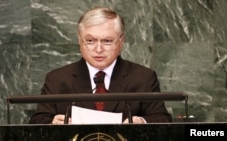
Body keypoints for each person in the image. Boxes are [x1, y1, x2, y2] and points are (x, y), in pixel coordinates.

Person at [29, 7, 172, 124]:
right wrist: (52, 122)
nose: (98, 49)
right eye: (90, 41)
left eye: (107, 41)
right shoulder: (57, 79)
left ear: (121, 41)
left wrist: (142, 121)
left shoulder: (143, 78)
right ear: (80, 40)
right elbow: (37, 121)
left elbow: (162, 119)